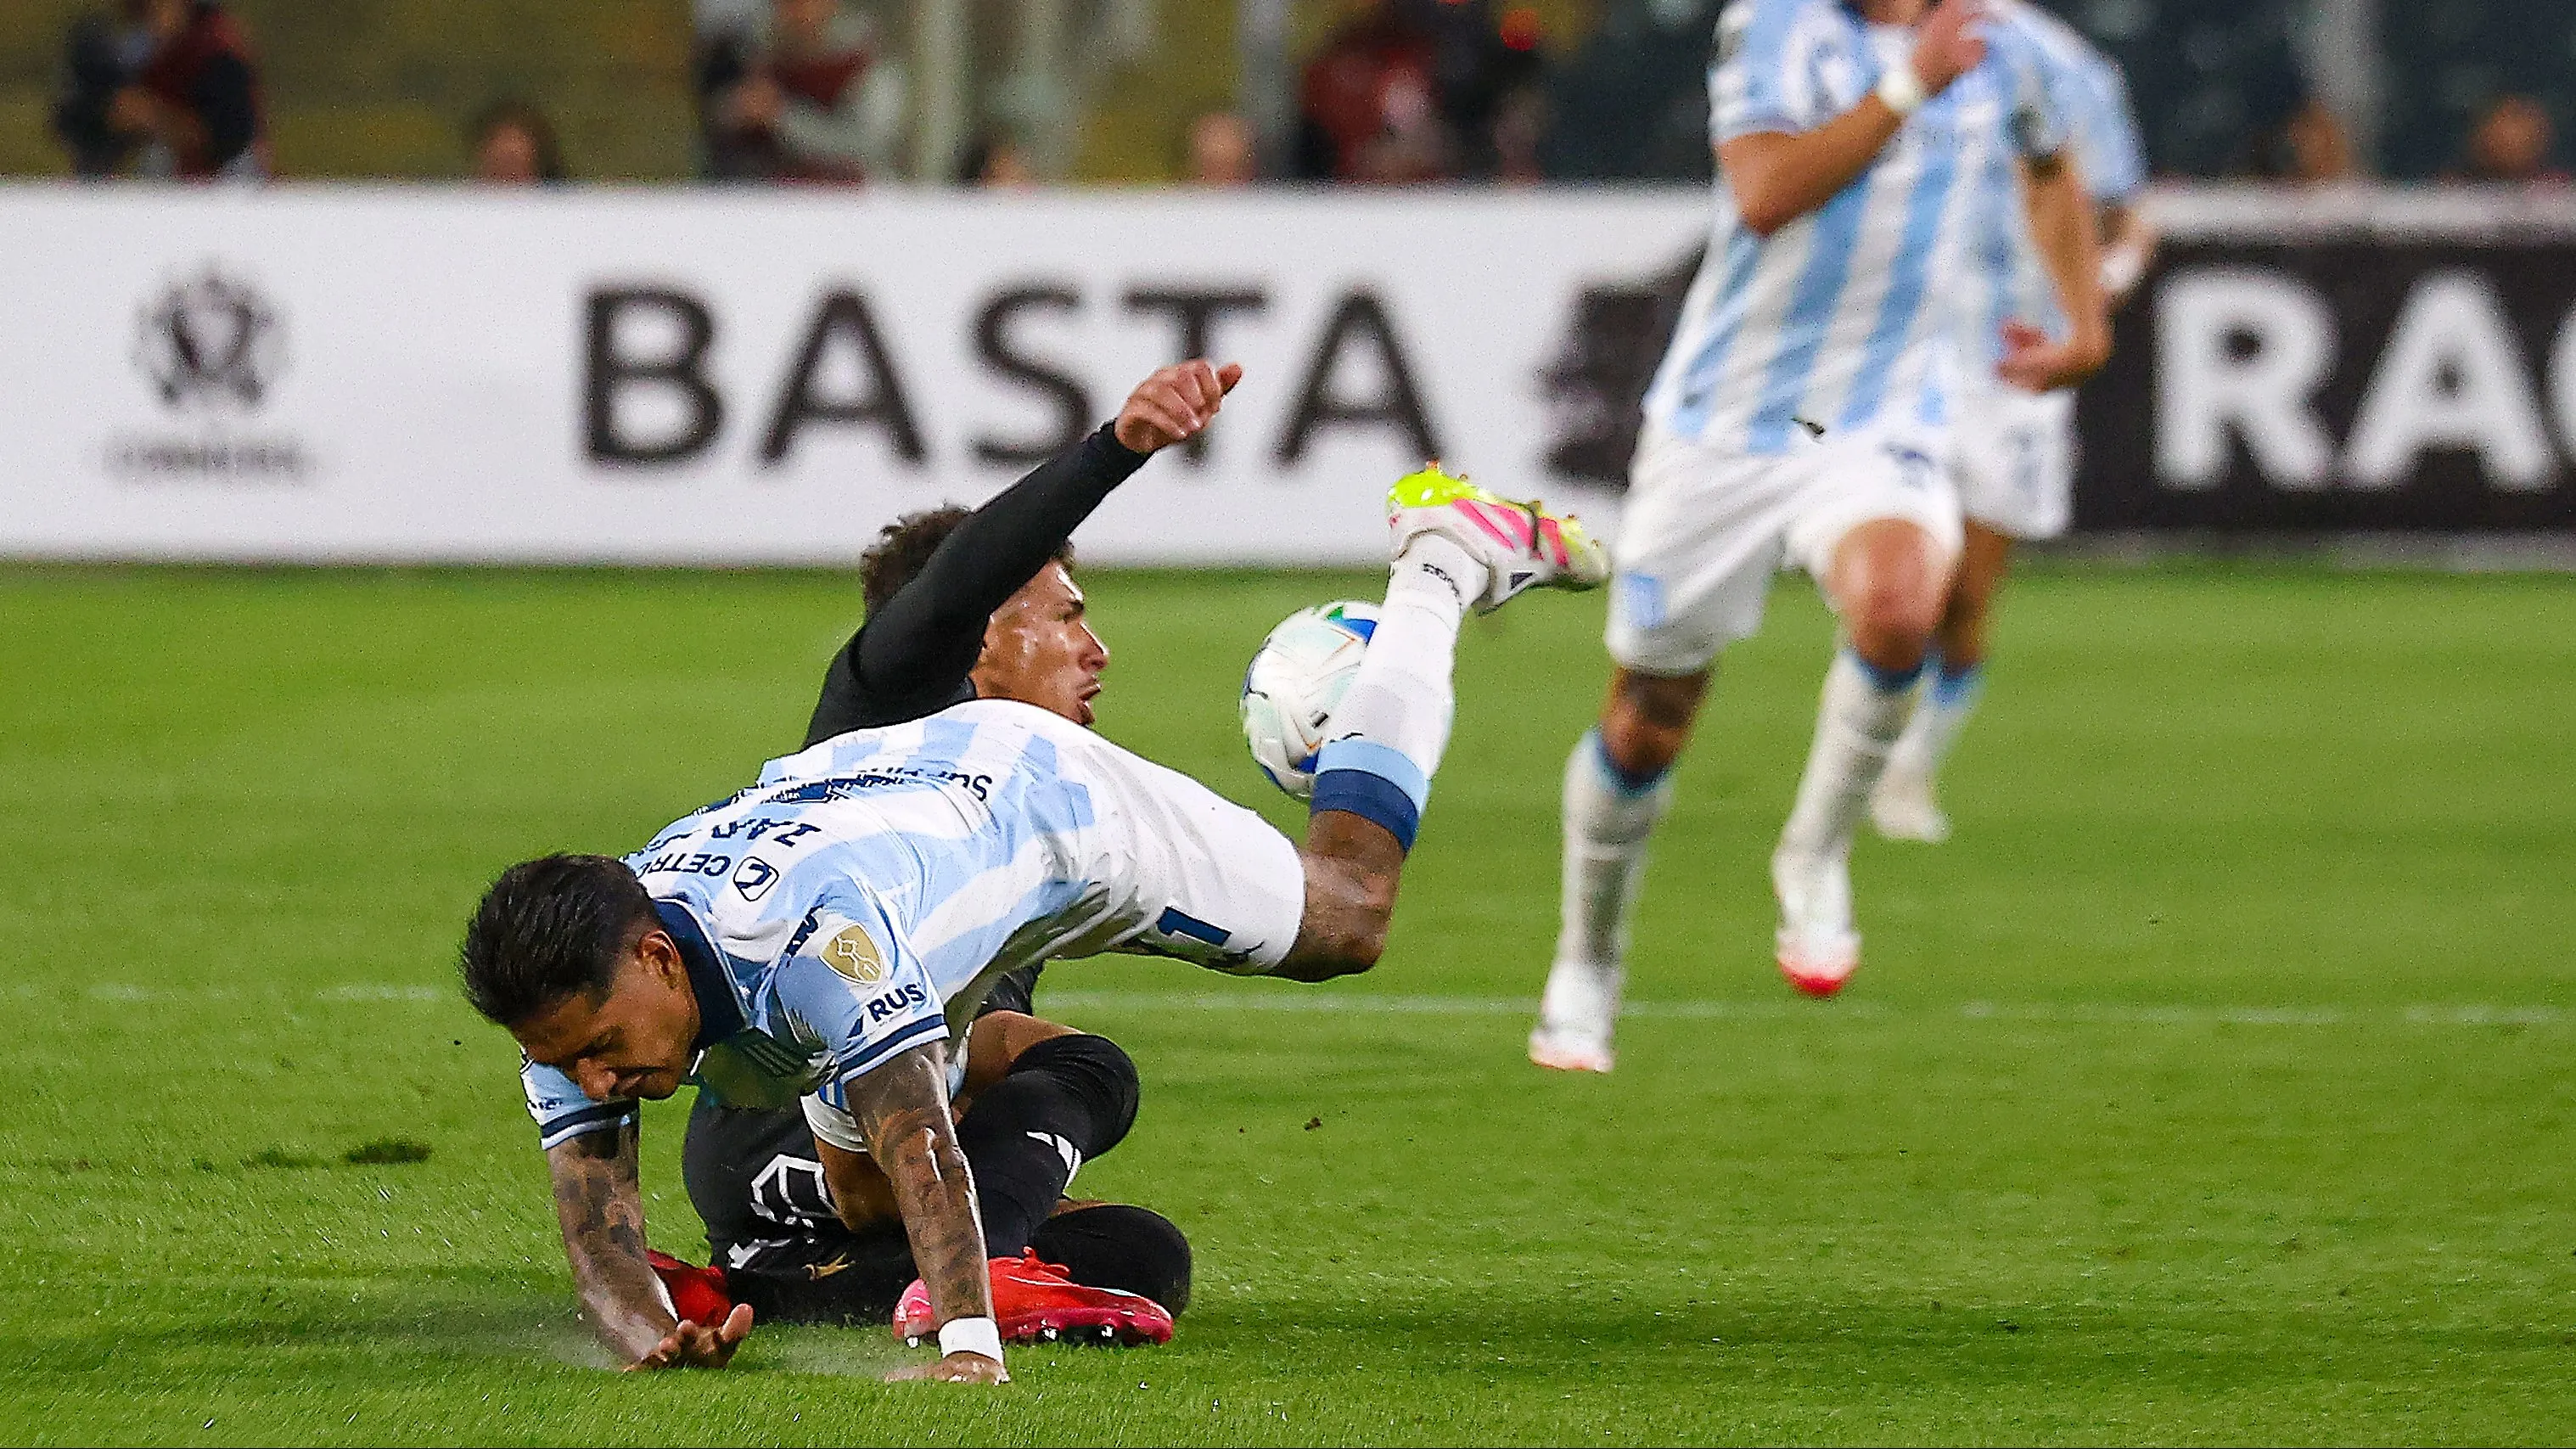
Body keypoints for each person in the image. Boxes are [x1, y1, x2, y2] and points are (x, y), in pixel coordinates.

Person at [462, 365, 1608, 1379]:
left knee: (1345, 915)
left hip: (1054, 810)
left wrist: (967, 1347)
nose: (594, 1076)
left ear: (654, 954)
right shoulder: (586, 990)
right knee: (914, 1195)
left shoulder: (822, 935)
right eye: (1064, 613)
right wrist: (644, 1331)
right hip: (876, 938)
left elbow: (917, 1127)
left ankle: (1438, 562)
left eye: (602, 1048)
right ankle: (847, 1274)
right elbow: (596, 1225)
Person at [1527, 0, 2109, 1072]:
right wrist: (1907, 88)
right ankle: (1588, 960)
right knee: (1650, 719)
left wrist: (2085, 326)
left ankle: (1814, 853)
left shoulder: (2003, 46)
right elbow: (1761, 194)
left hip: (1879, 417)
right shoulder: (1781, 23)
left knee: (1900, 611)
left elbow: (2049, 167)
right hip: (1723, 429)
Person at [648, 362, 1260, 1339]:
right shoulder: (888, 713)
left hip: (827, 1162)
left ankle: (763, 1294)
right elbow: (948, 595)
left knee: (1140, 1256)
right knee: (1088, 1070)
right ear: (974, 641)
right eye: (1067, 616)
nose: (1096, 649)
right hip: (798, 1120)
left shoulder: (1031, 787)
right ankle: (980, 1265)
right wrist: (1116, 448)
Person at [1868, 0, 2154, 843]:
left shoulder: (2059, 66)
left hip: (2008, 359)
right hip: (1897, 352)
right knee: (1896, 585)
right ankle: (1862, 765)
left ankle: (1909, 769)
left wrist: (2097, 293)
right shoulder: (1861, 40)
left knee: (1962, 596)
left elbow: (2124, 212)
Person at [702, 0, 906, 183]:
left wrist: (781, 116)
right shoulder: (755, 56)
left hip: (850, 204)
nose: (793, 13)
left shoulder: (867, 65)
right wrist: (736, 110)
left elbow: (865, 147)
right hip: (766, 201)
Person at [468, 99, 566, 185]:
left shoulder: (559, 203)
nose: (506, 179)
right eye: (499, 167)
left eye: (513, 163)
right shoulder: (461, 203)